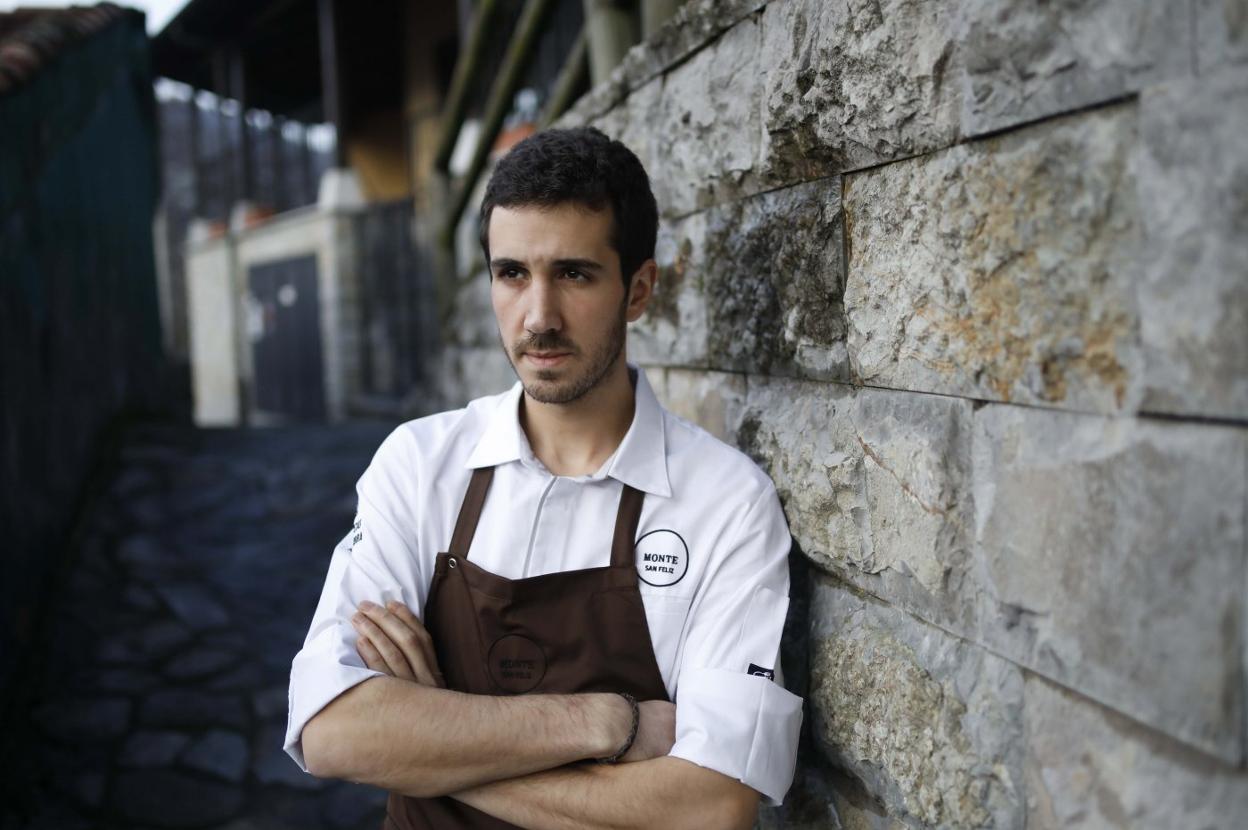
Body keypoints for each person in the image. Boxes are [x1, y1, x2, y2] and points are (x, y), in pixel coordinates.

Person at [284, 126, 803, 829]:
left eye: (575, 273)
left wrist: (434, 751)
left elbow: (710, 809)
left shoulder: (725, 504)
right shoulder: (420, 466)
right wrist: (604, 722)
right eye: (512, 274)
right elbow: (332, 731)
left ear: (639, 289)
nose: (538, 317)